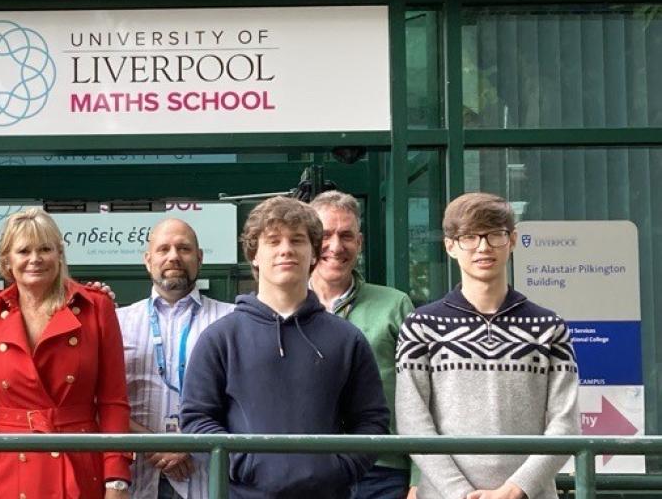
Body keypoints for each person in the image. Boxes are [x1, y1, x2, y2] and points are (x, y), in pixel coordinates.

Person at [181, 196, 390, 499]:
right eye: (273, 241)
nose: (286, 250)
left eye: (297, 240)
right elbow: (197, 420)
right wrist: (245, 464)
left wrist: (337, 468)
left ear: (314, 254)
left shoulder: (347, 339)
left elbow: (372, 421)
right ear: (254, 255)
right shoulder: (220, 338)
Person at [396, 193, 579, 499]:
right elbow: (413, 422)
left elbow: (566, 424)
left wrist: (516, 489)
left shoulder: (550, 327)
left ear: (513, 240)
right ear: (450, 246)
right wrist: (460, 493)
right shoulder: (421, 326)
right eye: (469, 237)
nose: (483, 247)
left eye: (495, 234)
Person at [0, 208, 132, 499]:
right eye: (23, 250)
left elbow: (113, 402)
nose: (35, 259)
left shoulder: (95, 308)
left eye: (45, 249)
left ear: (60, 254)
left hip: (78, 460)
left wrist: (116, 479)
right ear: (7, 260)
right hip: (8, 464)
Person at [117, 218, 234, 499]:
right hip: (138, 479)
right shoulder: (117, 322)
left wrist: (191, 441)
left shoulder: (231, 321)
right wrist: (152, 443)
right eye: (163, 249)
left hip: (207, 479)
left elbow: (241, 399)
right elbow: (104, 400)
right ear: (148, 260)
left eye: (184, 248)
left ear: (200, 258)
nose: (173, 256)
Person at [309, 191, 415, 499]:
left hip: (382, 469)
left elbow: (421, 395)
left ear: (361, 242)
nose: (336, 246)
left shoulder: (395, 305)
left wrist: (419, 478)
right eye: (325, 235)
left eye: (347, 236)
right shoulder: (286, 306)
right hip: (306, 468)